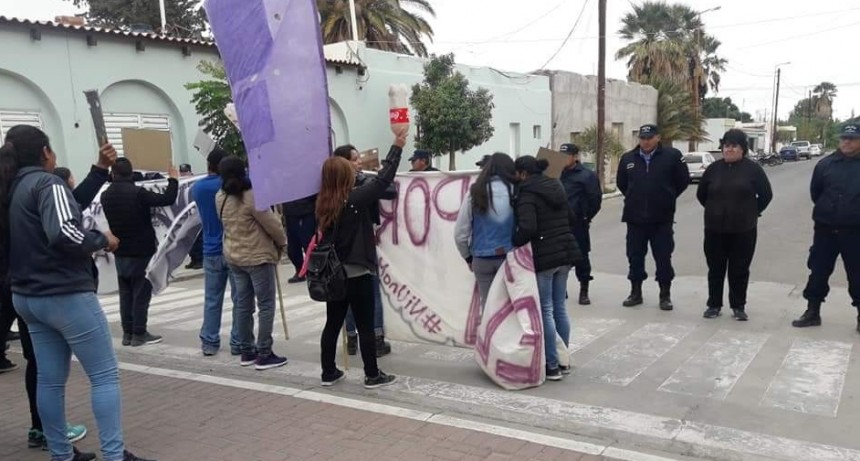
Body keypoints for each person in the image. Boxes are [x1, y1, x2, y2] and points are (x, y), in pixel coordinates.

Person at [1, 125, 155, 461]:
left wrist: (98, 170)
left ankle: (61, 454)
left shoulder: (12, 188)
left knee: (49, 379)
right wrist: (102, 240)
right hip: (64, 293)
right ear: (45, 152)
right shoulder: (48, 183)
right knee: (104, 375)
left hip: (27, 296)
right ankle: (114, 455)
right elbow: (64, 233)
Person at [317, 134, 406, 388]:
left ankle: (328, 372)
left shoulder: (323, 202)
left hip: (334, 273)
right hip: (357, 271)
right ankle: (372, 374)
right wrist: (397, 147)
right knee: (365, 324)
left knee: (333, 323)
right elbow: (383, 181)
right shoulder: (353, 200)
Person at [512, 156, 581, 381]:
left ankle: (551, 365)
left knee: (546, 310)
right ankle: (564, 360)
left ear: (522, 173)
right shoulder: (556, 185)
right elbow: (571, 217)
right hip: (566, 252)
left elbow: (528, 227)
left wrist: (514, 242)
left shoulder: (527, 193)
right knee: (559, 307)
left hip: (545, 256)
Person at [217, 156, 288, 370]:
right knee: (265, 305)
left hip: (234, 256)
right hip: (258, 257)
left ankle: (247, 350)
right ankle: (264, 353)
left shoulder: (220, 197)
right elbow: (273, 225)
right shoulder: (253, 196)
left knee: (243, 304)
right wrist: (282, 243)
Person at [697, 129, 773, 321]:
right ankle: (714, 305)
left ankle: (738, 306)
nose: (729, 149)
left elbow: (766, 195)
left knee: (739, 269)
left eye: (733, 146)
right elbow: (701, 195)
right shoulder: (713, 169)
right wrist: (715, 209)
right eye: (726, 146)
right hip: (714, 229)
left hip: (743, 230)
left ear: (742, 149)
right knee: (715, 269)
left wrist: (752, 211)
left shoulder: (753, 170)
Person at [101, 158, 178, 347]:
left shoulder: (106, 195)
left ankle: (127, 333)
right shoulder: (138, 193)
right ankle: (139, 333)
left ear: (113, 174)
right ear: (131, 174)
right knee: (141, 294)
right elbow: (166, 199)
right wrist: (173, 180)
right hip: (141, 251)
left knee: (126, 294)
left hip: (120, 251)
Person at [793, 123, 860, 331]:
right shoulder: (825, 165)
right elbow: (816, 193)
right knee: (818, 271)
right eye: (844, 138)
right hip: (825, 229)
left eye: (852, 139)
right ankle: (812, 311)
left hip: (855, 231)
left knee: (857, 274)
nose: (847, 142)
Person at [616, 124, 689, 310]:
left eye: (650, 138)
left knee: (663, 257)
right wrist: (636, 198)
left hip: (661, 219)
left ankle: (665, 295)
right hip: (635, 219)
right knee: (635, 257)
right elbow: (622, 184)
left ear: (658, 138)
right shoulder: (628, 158)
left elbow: (682, 181)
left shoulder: (672, 156)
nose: (646, 141)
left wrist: (667, 197)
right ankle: (635, 292)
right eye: (643, 138)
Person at [333, 144, 395, 357]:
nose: (359, 162)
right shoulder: (356, 192)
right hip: (360, 254)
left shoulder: (330, 193)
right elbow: (387, 187)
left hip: (340, 256)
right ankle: (374, 341)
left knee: (346, 299)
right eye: (354, 159)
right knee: (369, 297)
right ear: (343, 163)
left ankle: (351, 339)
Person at [191, 147, 241, 356]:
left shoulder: (197, 188)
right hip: (233, 246)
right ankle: (238, 341)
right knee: (239, 298)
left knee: (212, 299)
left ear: (208, 165)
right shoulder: (231, 186)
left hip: (209, 249)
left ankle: (209, 342)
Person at [454, 153, 517, 310]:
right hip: (510, 257)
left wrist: (468, 257)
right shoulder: (516, 190)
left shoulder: (475, 192)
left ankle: (488, 326)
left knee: (488, 306)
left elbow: (460, 233)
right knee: (510, 307)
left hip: (482, 257)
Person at [559, 143, 602, 305]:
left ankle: (584, 290)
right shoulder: (555, 173)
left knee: (581, 257)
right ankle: (560, 289)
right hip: (557, 223)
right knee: (558, 257)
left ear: (575, 156)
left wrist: (585, 217)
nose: (563, 159)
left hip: (577, 223)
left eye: (566, 155)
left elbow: (595, 200)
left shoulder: (587, 175)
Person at [281, 195, 317, 283]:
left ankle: (313, 270)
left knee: (308, 244)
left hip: (307, 210)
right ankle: (299, 270)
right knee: (292, 248)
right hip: (290, 212)